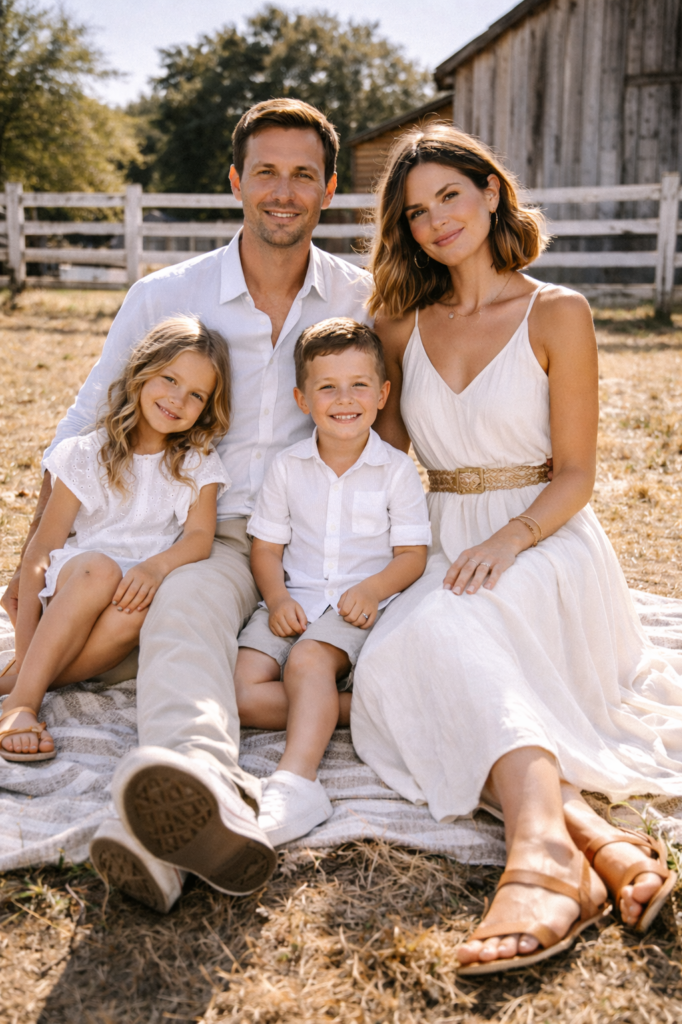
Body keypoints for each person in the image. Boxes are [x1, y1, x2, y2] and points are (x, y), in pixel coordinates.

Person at [1, 98, 372, 914]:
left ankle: (158, 831)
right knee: (181, 608)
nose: (283, 190)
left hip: (322, 533)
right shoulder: (168, 292)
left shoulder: (358, 296)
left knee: (167, 628)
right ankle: (195, 786)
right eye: (266, 172)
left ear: (328, 188)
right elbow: (85, 418)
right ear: (236, 180)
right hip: (207, 528)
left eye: (303, 174)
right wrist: (31, 558)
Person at [350, 124, 681, 975]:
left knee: (435, 637)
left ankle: (537, 858)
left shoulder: (556, 311)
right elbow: (383, 468)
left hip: (546, 538)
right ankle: (591, 838)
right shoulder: (398, 323)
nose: (433, 223)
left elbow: (575, 474)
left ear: (490, 191)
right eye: (415, 212)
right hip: (442, 540)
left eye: (448, 197)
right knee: (392, 661)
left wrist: (512, 536)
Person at [234, 318, 430, 844]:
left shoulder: (395, 471)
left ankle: (296, 782)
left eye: (359, 385)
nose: (345, 399)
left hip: (356, 608)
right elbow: (267, 549)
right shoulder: (287, 467)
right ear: (302, 398)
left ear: (383, 393)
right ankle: (367, 708)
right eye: (327, 387)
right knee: (243, 692)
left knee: (307, 660)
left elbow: (412, 555)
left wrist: (372, 589)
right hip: (293, 598)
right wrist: (274, 599)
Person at [0, 316, 230, 761]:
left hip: (128, 596)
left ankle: (20, 681)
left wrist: (155, 567)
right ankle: (21, 702)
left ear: (207, 406)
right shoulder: (88, 453)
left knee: (138, 607)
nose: (177, 399)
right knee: (99, 569)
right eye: (169, 379)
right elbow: (40, 553)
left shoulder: (197, 461)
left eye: (196, 395)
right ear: (142, 372)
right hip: (76, 582)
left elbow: (200, 538)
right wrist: (26, 640)